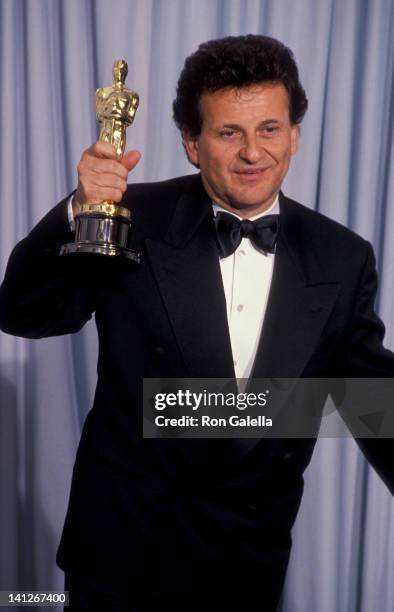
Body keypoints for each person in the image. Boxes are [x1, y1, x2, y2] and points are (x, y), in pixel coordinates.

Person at [0, 34, 393, 611]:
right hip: (122, 560)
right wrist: (77, 213)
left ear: (295, 135)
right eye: (229, 131)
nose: (253, 152)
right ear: (191, 142)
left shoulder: (342, 255)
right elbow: (23, 312)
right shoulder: (130, 217)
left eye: (270, 129)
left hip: (246, 565)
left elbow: (371, 400)